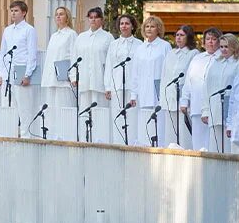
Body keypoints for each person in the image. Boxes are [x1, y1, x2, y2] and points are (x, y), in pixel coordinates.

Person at [0, 1, 41, 138]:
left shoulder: (29, 30)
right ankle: (9, 134)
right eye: (11, 11)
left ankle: (26, 136)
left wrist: (27, 74)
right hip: (8, 71)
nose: (13, 13)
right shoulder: (7, 30)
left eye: (16, 11)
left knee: (24, 106)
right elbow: (3, 53)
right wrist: (0, 74)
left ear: (24, 12)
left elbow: (32, 54)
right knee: (7, 105)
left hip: (21, 69)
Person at [73, 9, 114, 143]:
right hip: (84, 81)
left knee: (100, 112)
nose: (93, 20)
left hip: (100, 81)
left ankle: (100, 140)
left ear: (101, 20)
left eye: (96, 17)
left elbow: (110, 61)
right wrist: (74, 77)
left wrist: (109, 84)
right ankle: (84, 139)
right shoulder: (81, 37)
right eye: (90, 17)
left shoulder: (108, 37)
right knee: (84, 112)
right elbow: (75, 58)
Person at [133, 15, 173, 146]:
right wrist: (134, 94)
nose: (149, 29)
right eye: (147, 26)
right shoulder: (140, 49)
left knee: (159, 121)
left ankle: (160, 146)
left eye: (153, 26)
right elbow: (135, 73)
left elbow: (169, 70)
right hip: (143, 90)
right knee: (145, 120)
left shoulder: (165, 46)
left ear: (158, 29)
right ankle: (144, 145)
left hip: (158, 90)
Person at [105, 15, 144, 145]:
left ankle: (133, 145)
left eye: (127, 23)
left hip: (133, 87)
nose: (124, 26)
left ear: (132, 26)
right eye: (122, 23)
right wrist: (108, 87)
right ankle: (118, 144)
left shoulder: (140, 44)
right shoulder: (113, 44)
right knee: (117, 117)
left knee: (132, 118)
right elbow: (109, 66)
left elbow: (140, 68)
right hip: (116, 86)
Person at [203, 32, 239, 153]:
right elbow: (207, 87)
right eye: (221, 47)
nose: (223, 49)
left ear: (234, 47)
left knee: (228, 145)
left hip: (230, 108)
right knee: (214, 144)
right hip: (214, 107)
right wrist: (205, 109)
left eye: (226, 46)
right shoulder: (215, 62)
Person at [42, 6, 78, 139]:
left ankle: (66, 136)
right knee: (52, 109)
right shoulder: (54, 36)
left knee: (64, 107)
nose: (58, 16)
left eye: (61, 14)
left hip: (64, 78)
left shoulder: (71, 34)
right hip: (51, 77)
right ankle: (53, 135)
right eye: (56, 14)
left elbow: (74, 55)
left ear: (67, 17)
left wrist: (73, 76)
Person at [159, 26, 197, 149]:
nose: (179, 38)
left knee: (184, 134)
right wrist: (163, 99)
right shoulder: (170, 54)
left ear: (188, 37)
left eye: (182, 35)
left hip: (183, 100)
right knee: (170, 134)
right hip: (169, 99)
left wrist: (187, 100)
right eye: (177, 35)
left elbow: (192, 78)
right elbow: (164, 77)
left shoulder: (193, 54)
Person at [181, 29, 220, 150]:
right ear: (203, 42)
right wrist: (184, 100)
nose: (211, 42)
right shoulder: (197, 58)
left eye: (214, 39)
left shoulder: (222, 59)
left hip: (214, 108)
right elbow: (188, 80)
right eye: (208, 39)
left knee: (213, 141)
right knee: (197, 141)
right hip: (196, 105)